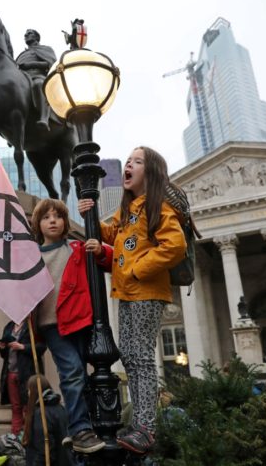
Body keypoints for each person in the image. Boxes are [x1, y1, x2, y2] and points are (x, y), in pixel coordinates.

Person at [79, 145, 186, 455]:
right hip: (126, 292)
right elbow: (109, 234)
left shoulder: (159, 207)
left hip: (146, 291)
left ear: (150, 172)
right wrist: (89, 215)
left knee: (139, 357)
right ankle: (139, 423)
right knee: (130, 356)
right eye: (128, 161)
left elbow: (174, 245)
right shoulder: (129, 210)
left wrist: (139, 269)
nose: (129, 165)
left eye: (137, 161)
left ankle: (146, 429)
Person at [30, 198, 113, 454]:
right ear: (38, 224)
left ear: (65, 222)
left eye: (57, 216)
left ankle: (79, 427)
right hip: (52, 325)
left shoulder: (76, 248)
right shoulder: (31, 258)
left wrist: (100, 250)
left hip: (80, 320)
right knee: (73, 373)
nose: (52, 220)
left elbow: (109, 262)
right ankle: (79, 429)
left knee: (84, 376)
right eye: (46, 217)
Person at [0, 320, 46, 435]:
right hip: (10, 372)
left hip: (27, 372)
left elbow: (42, 347)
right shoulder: (8, 326)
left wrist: (22, 347)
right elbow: (3, 355)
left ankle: (29, 437)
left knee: (28, 407)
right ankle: (15, 437)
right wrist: (2, 348)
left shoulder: (32, 325)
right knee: (15, 407)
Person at [22, 375, 75, 466]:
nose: (28, 393)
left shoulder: (41, 414)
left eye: (29, 390)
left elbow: (44, 451)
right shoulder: (60, 408)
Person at [15, 29, 57, 131]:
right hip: (21, 79)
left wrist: (31, 64)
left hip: (37, 75)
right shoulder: (21, 55)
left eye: (29, 34)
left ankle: (44, 118)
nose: (26, 35)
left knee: (39, 84)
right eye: (25, 34)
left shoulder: (46, 49)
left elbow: (50, 64)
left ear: (36, 37)